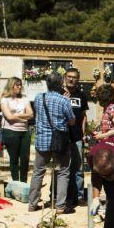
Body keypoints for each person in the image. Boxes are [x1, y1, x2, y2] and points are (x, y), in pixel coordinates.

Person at [26, 72, 74, 212]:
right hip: (60, 141)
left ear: (46, 84)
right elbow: (71, 121)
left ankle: (32, 204)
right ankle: (60, 206)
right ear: (60, 84)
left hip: (42, 140)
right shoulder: (64, 100)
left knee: (38, 172)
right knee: (63, 172)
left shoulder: (38, 98)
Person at [0, 77, 33, 182]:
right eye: (17, 85)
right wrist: (22, 116)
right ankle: (15, 182)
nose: (19, 87)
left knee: (25, 159)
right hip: (11, 131)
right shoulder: (4, 100)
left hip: (24, 132)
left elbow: (31, 114)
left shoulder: (24, 99)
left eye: (20, 84)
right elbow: (9, 117)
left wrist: (17, 115)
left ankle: (23, 182)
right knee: (14, 159)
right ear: (11, 85)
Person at [63, 68, 89, 206]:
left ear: (78, 79)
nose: (71, 79)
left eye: (74, 77)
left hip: (77, 137)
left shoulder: (82, 95)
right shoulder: (60, 94)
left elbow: (84, 116)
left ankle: (79, 196)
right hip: (63, 137)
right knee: (64, 168)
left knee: (78, 168)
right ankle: (65, 195)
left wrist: (84, 133)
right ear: (65, 77)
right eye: (69, 76)